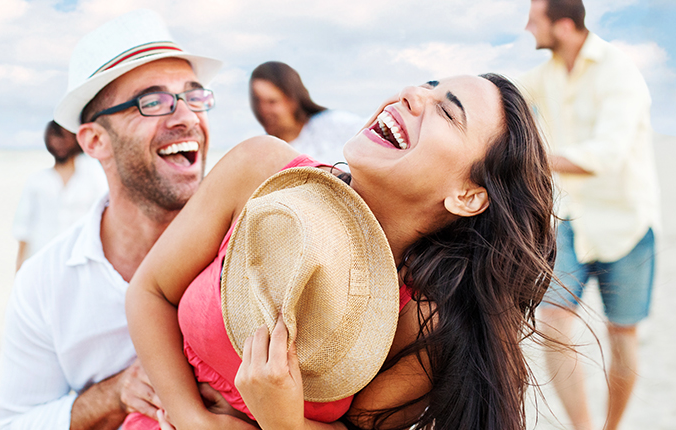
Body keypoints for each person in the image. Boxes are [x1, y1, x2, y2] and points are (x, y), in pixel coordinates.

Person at [127, 74, 557, 430]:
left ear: (467, 196)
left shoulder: (423, 323)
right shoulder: (262, 172)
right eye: (427, 84)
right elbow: (149, 292)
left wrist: (282, 421)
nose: (412, 93)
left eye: (447, 111)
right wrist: (192, 420)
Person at [0, 9, 230, 429]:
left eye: (195, 96)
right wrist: (114, 394)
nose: (187, 117)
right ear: (96, 141)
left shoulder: (257, 240)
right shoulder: (44, 284)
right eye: (152, 102)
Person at [518, 1, 660, 429]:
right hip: (569, 221)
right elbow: (502, 97)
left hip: (626, 224)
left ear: (562, 25)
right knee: (554, 321)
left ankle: (611, 427)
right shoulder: (543, 77)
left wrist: (536, 158)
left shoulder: (619, 71)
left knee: (622, 335)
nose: (526, 27)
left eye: (534, 18)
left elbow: (608, 153)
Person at [12, 121, 108, 270]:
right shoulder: (37, 180)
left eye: (64, 137)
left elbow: (104, 219)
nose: (59, 143)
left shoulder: (94, 177)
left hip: (81, 258)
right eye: (54, 137)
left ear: (77, 139)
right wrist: (19, 267)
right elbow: (24, 227)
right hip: (41, 259)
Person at [249, 61, 364, 167]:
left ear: (293, 99)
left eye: (272, 102)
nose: (263, 110)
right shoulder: (263, 155)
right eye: (258, 102)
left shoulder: (336, 123)